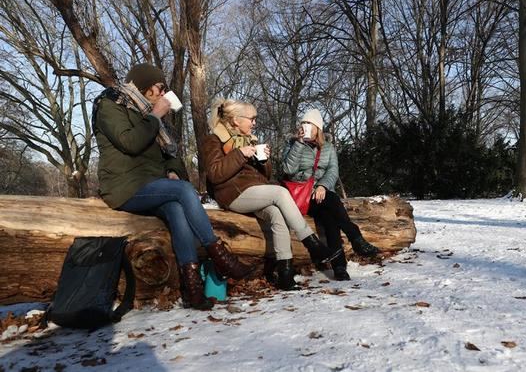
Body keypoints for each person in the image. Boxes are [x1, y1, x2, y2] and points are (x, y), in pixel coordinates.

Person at [92, 63, 253, 311]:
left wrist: (173, 170)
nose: (163, 93)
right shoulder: (111, 105)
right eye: (160, 87)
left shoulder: (148, 113)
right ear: (145, 86)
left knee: (177, 207)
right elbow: (131, 142)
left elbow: (172, 153)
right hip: (124, 186)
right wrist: (155, 115)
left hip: (153, 184)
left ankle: (193, 290)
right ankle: (221, 258)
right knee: (185, 191)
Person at [203, 99, 340, 290]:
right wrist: (240, 154)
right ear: (235, 120)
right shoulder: (214, 140)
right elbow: (215, 174)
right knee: (280, 192)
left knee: (277, 215)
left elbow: (264, 176)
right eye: (251, 118)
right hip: (232, 194)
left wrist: (264, 160)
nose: (254, 123)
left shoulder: (251, 140)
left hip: (254, 191)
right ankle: (312, 244)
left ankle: (285, 273)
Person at [282, 109, 380, 281]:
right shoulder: (292, 144)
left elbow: (333, 171)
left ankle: (339, 267)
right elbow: (287, 170)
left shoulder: (328, 147)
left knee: (330, 219)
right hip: (300, 196)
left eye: (309, 124)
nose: (304, 126)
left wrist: (322, 186)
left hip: (321, 195)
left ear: (317, 128)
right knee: (333, 200)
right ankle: (355, 237)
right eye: (303, 123)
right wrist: (298, 143)